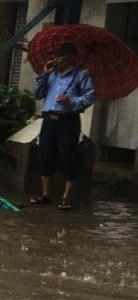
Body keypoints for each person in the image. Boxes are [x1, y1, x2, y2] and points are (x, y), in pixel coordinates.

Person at [31, 43, 95, 210]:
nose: (56, 60)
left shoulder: (82, 75)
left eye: (60, 56)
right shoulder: (52, 75)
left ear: (70, 57)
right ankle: (45, 194)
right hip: (49, 119)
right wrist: (44, 74)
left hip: (68, 120)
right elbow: (37, 95)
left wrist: (71, 100)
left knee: (68, 155)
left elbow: (90, 97)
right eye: (55, 56)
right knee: (45, 153)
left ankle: (66, 197)